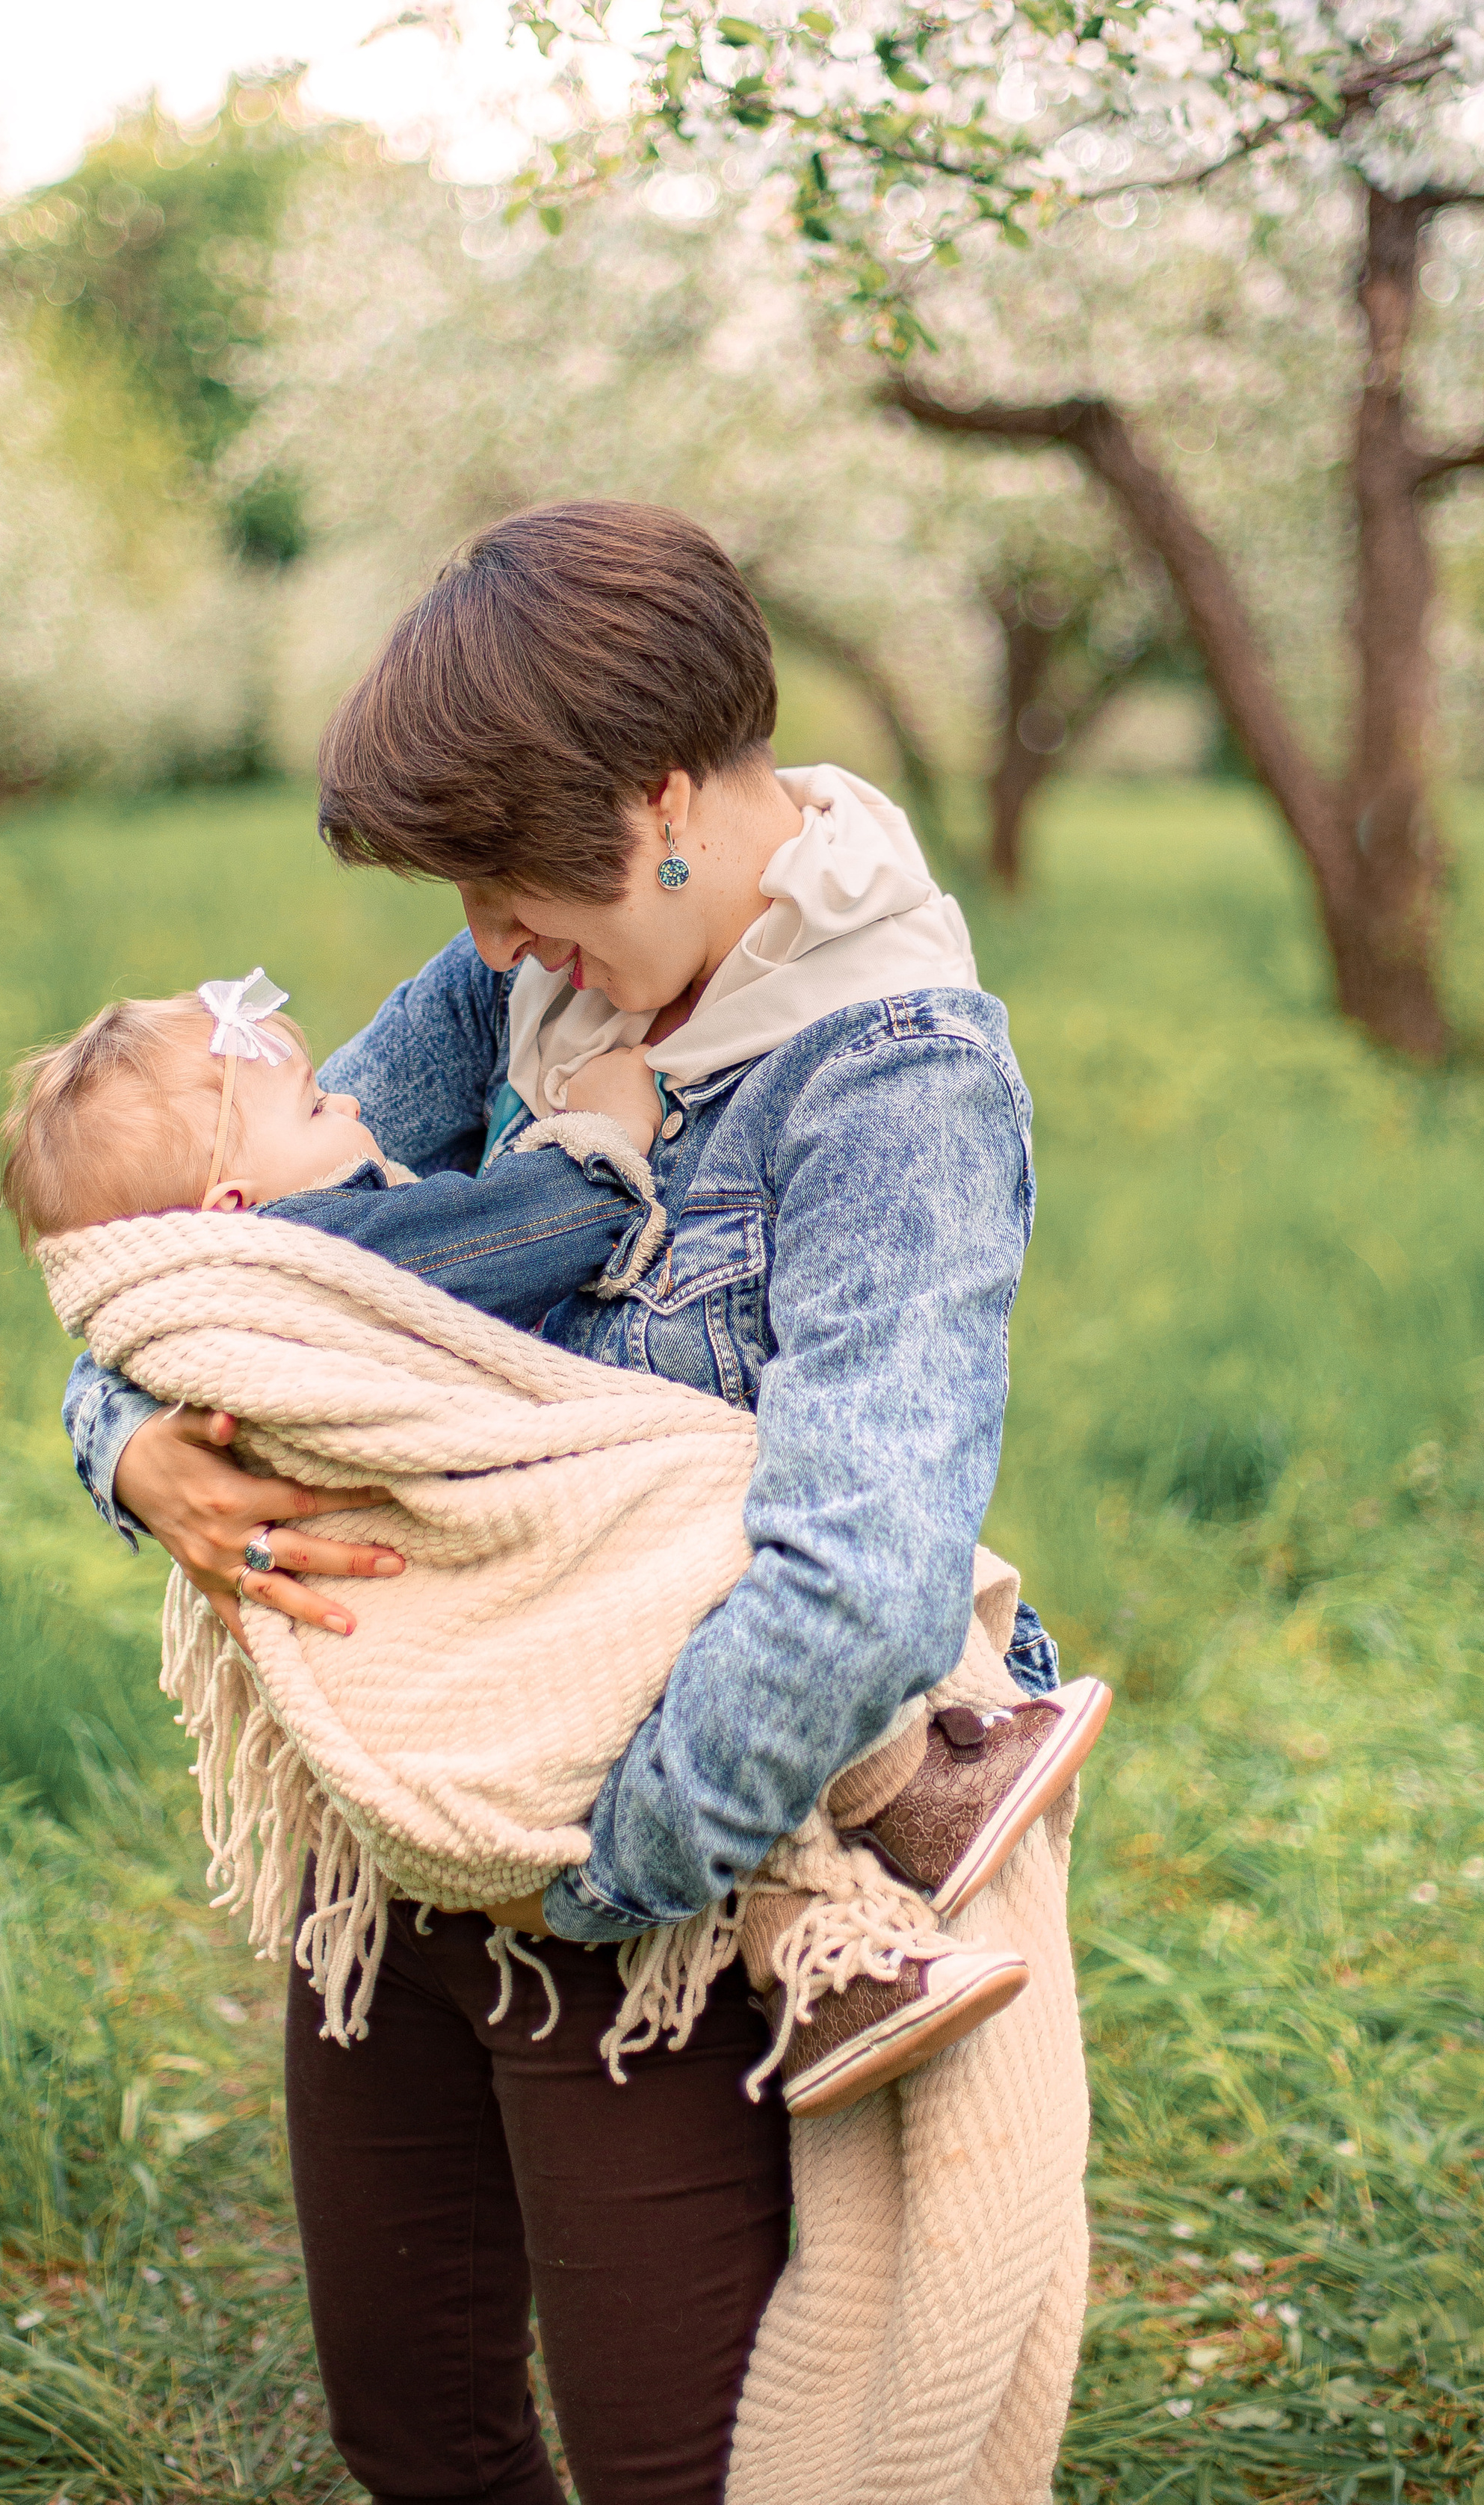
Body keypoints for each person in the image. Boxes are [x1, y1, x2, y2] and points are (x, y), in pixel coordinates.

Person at [63, 499, 1075, 2505]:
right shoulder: (526, 987)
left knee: (665, 2466)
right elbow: (210, 1246)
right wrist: (128, 1443)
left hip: (641, 1876)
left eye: (510, 882)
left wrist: (600, 1878)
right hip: (385, 1829)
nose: (483, 942)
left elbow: (862, 1576)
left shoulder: (892, 1081)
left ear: (665, 798)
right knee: (411, 2416)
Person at [5, 971, 1105, 2112]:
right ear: (233, 1209)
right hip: (501, 1579)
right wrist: (602, 1145)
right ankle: (903, 1787)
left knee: (748, 1584)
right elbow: (526, 1234)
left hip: (496, 1690)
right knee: (711, 1516)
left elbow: (131, 1295)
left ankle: (834, 1932)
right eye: (318, 1107)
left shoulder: (227, 1267)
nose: (353, 1105)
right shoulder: (314, 1245)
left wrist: (123, 1430)